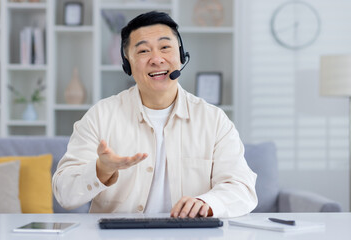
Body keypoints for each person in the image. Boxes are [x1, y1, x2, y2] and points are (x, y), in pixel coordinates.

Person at [52, 11, 257, 218]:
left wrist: (207, 203)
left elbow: (243, 189)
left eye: (165, 47)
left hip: (191, 235)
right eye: (143, 51)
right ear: (127, 64)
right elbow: (64, 194)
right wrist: (100, 170)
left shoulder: (213, 120)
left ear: (181, 54)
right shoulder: (101, 116)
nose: (157, 59)